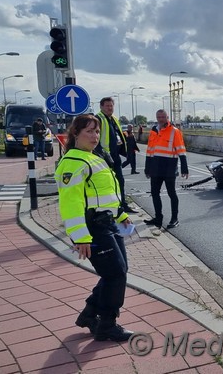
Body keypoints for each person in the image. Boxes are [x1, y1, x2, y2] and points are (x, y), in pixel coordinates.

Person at [54, 114, 135, 342]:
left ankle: (89, 315)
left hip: (108, 223)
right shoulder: (73, 162)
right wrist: (81, 237)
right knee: (115, 274)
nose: (94, 136)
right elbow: (71, 204)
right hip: (92, 228)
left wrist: (121, 215)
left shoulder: (94, 157)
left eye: (97, 131)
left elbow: (104, 195)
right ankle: (107, 325)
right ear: (75, 134)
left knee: (118, 271)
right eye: (89, 131)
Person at [144, 109, 188, 229]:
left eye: (163, 117)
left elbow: (181, 149)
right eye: (159, 117)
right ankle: (158, 218)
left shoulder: (174, 131)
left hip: (169, 167)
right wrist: (147, 167)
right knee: (154, 193)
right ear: (156, 117)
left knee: (171, 193)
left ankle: (175, 219)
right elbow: (150, 150)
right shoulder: (153, 131)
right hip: (155, 167)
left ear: (167, 117)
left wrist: (184, 167)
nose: (161, 119)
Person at [95, 97, 137, 214]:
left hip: (115, 156)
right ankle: (109, 208)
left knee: (120, 181)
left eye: (111, 106)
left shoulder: (113, 119)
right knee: (108, 184)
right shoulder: (98, 119)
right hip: (104, 158)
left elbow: (118, 135)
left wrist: (125, 151)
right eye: (107, 106)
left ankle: (122, 205)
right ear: (101, 107)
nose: (110, 108)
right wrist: (102, 155)